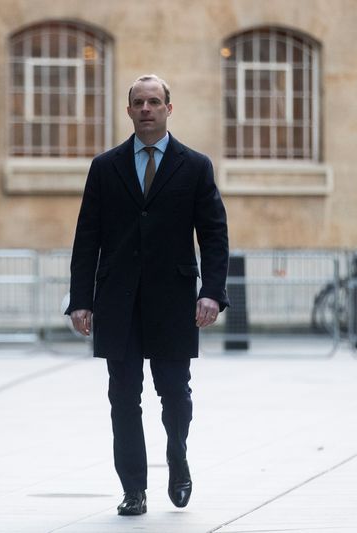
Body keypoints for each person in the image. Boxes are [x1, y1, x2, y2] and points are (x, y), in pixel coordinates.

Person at [65, 74, 229, 516]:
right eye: (138, 102)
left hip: (174, 302)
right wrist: (81, 299)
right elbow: (87, 237)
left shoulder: (194, 166)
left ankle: (177, 456)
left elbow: (214, 234)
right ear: (129, 109)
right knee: (123, 397)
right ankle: (133, 488)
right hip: (117, 301)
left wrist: (212, 292)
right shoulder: (105, 167)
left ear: (169, 109)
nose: (146, 109)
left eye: (155, 102)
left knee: (175, 393)